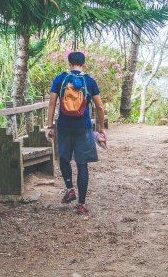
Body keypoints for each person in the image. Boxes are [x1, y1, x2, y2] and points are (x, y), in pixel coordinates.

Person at [46, 51, 106, 215]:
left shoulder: (60, 79)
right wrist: (101, 127)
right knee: (82, 164)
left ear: (69, 63)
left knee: (64, 158)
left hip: (64, 126)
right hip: (83, 127)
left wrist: (50, 126)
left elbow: (52, 103)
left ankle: (69, 188)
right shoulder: (89, 80)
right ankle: (81, 204)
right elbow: (100, 107)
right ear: (84, 63)